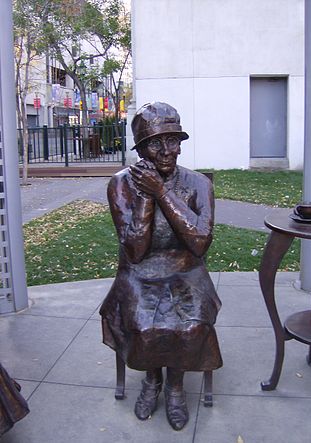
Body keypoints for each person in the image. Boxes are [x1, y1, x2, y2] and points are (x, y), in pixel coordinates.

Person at [100, 102, 222, 431]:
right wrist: (145, 196)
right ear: (140, 150)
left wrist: (163, 193)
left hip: (186, 270)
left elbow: (199, 243)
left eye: (173, 140)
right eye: (155, 143)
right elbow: (136, 251)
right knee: (142, 324)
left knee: (189, 324)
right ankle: (152, 380)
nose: (167, 151)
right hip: (140, 272)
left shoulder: (198, 184)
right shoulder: (121, 184)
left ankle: (175, 386)